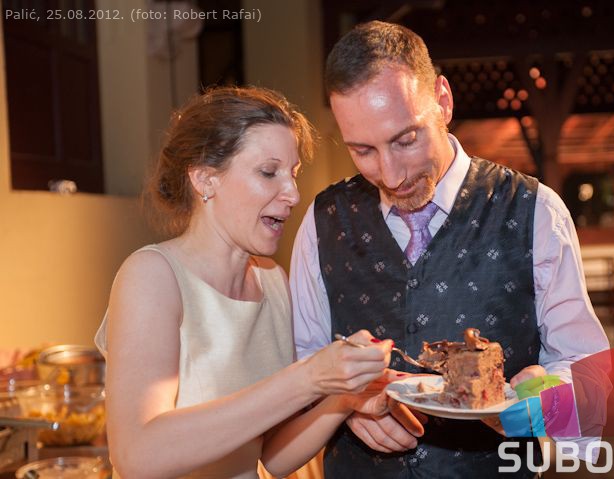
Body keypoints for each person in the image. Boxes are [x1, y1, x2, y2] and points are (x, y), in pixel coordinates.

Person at [290, 21, 610, 477]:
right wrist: (344, 407)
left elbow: (587, 371)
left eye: (406, 139)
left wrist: (548, 401)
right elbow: (303, 363)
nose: (391, 175)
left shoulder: (535, 209)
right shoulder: (323, 220)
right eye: (363, 151)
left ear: (443, 101)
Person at [95, 86, 398, 479]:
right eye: (268, 172)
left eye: (292, 174)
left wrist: (343, 398)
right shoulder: (152, 275)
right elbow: (137, 455)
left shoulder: (272, 282)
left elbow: (270, 457)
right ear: (206, 179)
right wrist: (308, 378)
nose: (293, 195)